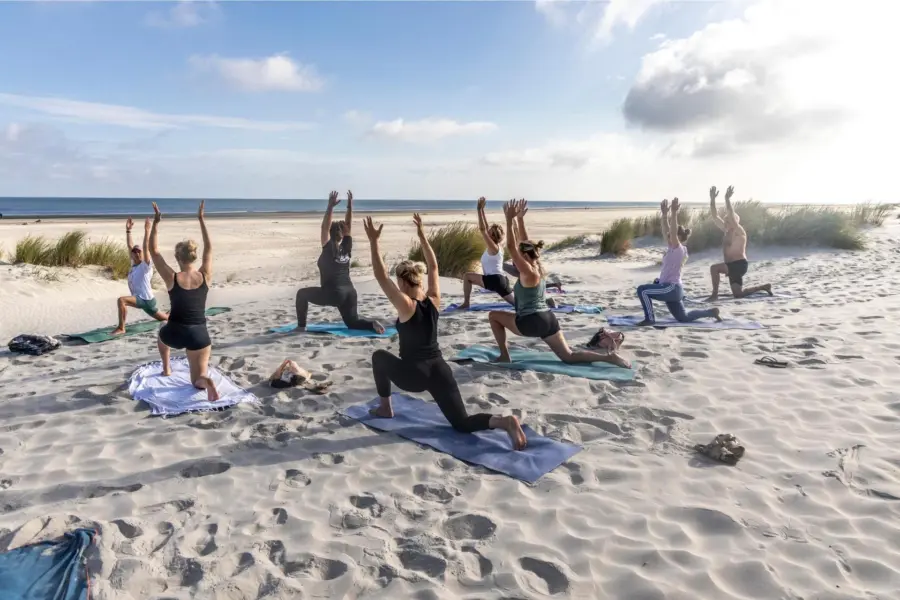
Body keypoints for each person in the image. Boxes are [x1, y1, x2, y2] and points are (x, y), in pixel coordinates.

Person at [363, 212, 527, 451]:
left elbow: (379, 275)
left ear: (402, 281)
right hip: (441, 370)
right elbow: (434, 265)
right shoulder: (434, 300)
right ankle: (504, 421)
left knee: (379, 356)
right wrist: (422, 234)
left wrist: (374, 241)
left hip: (415, 375)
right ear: (420, 280)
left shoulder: (406, 305)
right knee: (461, 422)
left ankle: (385, 408)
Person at [488, 200, 630, 368]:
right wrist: (520, 220)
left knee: (493, 316)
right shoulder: (537, 267)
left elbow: (512, 246)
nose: (515, 259)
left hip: (530, 322)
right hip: (548, 319)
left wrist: (509, 219)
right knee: (568, 356)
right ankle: (609, 358)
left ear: (524, 258)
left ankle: (504, 355)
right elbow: (524, 244)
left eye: (519, 256)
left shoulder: (527, 272)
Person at [149, 201, 218, 401]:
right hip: (200, 336)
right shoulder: (205, 275)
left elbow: (153, 251)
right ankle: (207, 381)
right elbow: (209, 249)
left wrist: (155, 223)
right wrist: (201, 219)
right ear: (194, 257)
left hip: (175, 333)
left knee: (163, 329)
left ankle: (167, 368)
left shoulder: (173, 278)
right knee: (198, 379)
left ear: (177, 258)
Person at [294, 190, 384, 333]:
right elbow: (348, 225)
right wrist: (349, 206)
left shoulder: (328, 247)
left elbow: (324, 227)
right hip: (350, 292)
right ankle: (372, 324)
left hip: (334, 293)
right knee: (352, 323)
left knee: (301, 294)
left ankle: (301, 327)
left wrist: (330, 207)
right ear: (342, 235)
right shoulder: (346, 246)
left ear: (330, 233)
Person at [636, 198, 722, 326]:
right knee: (684, 318)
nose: (668, 236)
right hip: (673, 290)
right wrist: (664, 215)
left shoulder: (679, 249)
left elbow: (672, 231)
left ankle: (650, 319)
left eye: (672, 235)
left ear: (679, 238)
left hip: (672, 288)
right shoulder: (672, 248)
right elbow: (667, 230)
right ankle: (710, 313)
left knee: (642, 290)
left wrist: (674, 213)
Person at [707, 185, 773, 300]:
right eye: (726, 220)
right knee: (738, 295)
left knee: (714, 268)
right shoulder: (726, 230)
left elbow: (732, 215)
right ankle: (764, 287)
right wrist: (712, 199)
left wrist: (727, 199)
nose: (726, 222)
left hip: (739, 265)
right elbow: (715, 216)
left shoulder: (739, 231)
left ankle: (714, 295)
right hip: (732, 266)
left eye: (728, 220)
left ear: (735, 222)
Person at [112, 217, 168, 335]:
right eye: (135, 252)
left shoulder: (145, 265)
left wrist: (147, 230)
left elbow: (146, 247)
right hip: (147, 301)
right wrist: (128, 231)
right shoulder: (134, 264)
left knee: (121, 301)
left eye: (139, 251)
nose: (136, 253)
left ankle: (121, 328)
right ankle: (173, 314)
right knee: (165, 318)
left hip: (144, 299)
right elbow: (130, 246)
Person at [458, 197, 514, 309]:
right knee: (517, 304)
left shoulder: (493, 247)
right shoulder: (497, 246)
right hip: (500, 280)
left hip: (494, 280)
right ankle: (546, 302)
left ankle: (466, 303)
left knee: (467, 276)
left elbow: (483, 229)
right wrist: (482, 211)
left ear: (493, 236)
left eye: (491, 232)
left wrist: (478, 210)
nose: (488, 232)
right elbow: (486, 227)